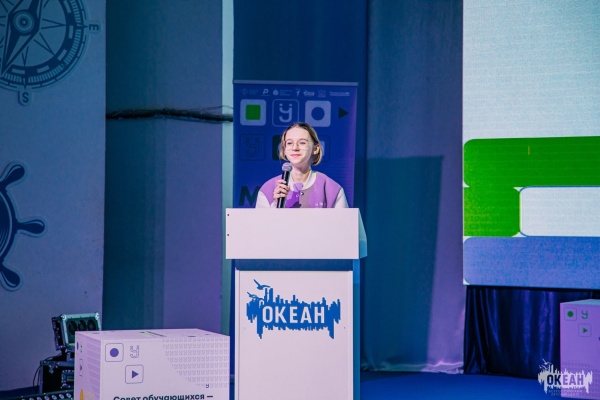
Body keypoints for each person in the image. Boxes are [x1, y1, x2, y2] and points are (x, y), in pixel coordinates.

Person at [255, 122, 349, 208]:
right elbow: (261, 221)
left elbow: (344, 221)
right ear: (284, 149)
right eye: (289, 143)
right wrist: (276, 204)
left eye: (302, 143)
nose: (295, 148)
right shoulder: (268, 189)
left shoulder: (331, 188)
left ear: (315, 149)